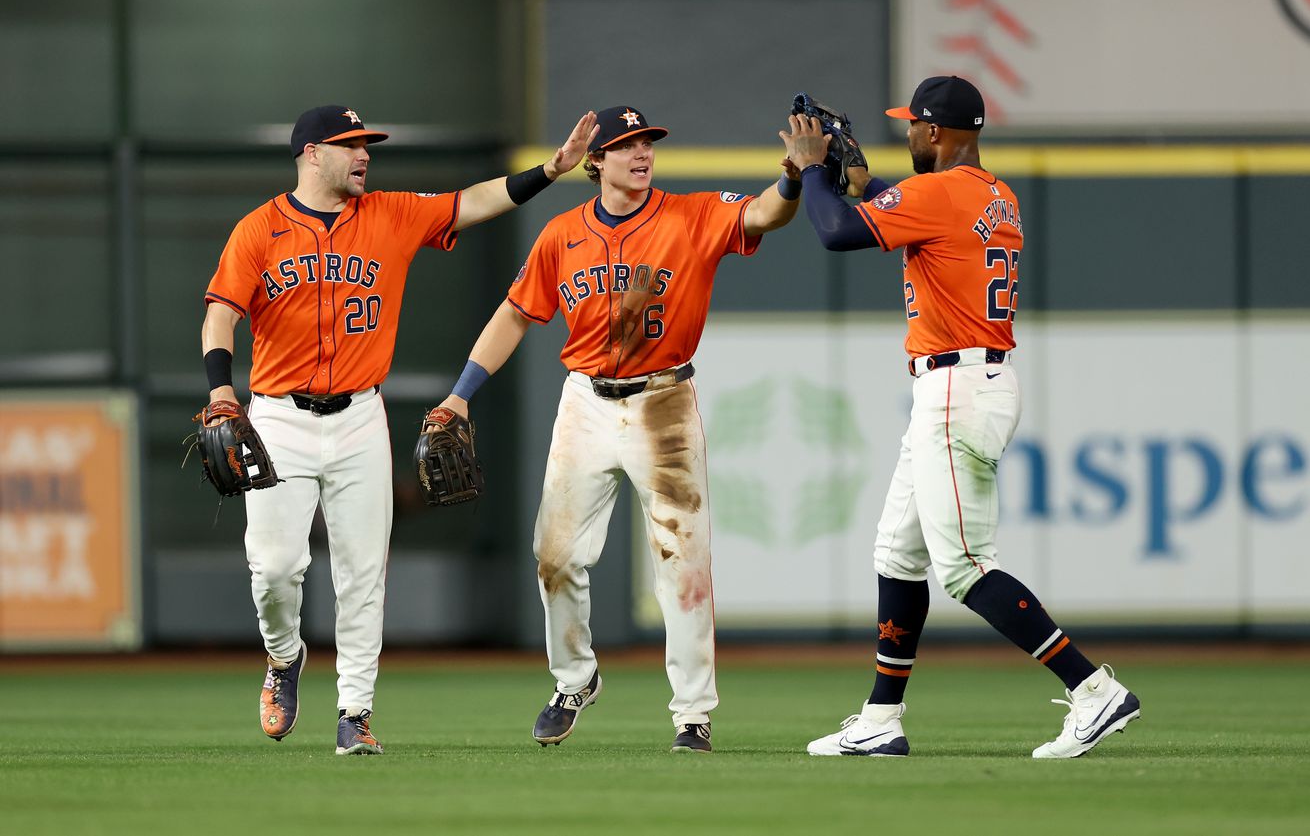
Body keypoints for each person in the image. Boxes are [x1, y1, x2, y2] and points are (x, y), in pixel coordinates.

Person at [200, 104, 598, 755]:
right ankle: (283, 657)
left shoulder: (390, 213)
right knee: (274, 570)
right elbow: (222, 315)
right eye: (349, 145)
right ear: (310, 155)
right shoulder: (260, 229)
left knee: (362, 574)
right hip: (277, 413)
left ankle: (355, 711)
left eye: (367, 146)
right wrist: (221, 388)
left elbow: (472, 203)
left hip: (359, 414)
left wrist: (552, 169)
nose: (364, 155)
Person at [781, 76, 1141, 758]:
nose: (907, 134)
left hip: (957, 388)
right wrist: (857, 176)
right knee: (897, 550)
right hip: (971, 380)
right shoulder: (993, 193)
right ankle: (882, 718)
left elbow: (833, 232)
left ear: (938, 134)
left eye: (913, 126)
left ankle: (1093, 689)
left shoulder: (937, 193)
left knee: (966, 566)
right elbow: (912, 201)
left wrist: (812, 171)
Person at [432, 105, 801, 753]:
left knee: (684, 562)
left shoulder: (691, 215)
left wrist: (795, 176)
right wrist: (460, 395)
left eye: (647, 142)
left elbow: (764, 213)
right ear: (595, 160)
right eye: (625, 144)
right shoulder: (561, 233)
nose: (640, 152)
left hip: (665, 400)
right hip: (588, 402)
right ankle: (575, 678)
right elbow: (516, 315)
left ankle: (693, 713)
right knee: (555, 555)